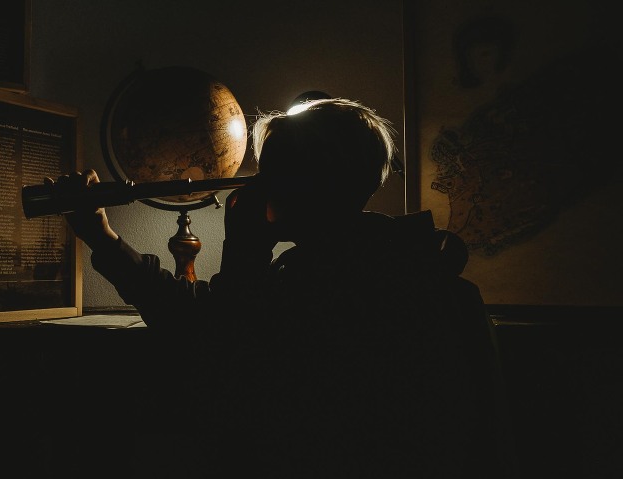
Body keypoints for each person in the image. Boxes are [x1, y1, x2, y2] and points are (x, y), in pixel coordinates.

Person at [49, 98, 518, 478]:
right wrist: (105, 238)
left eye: (269, 175)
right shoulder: (406, 265)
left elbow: (210, 345)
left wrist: (245, 251)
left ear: (299, 186)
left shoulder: (322, 287)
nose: (259, 189)